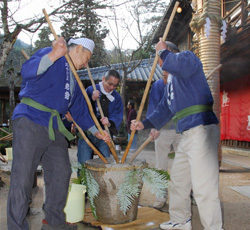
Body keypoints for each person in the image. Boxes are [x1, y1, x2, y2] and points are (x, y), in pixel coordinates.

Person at [7, 37, 110, 230]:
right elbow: (28, 71)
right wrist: (54, 54)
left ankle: (54, 223)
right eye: (87, 58)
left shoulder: (75, 79)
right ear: (78, 48)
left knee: (61, 172)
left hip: (54, 127)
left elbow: (79, 110)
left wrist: (96, 132)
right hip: (30, 120)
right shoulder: (52, 54)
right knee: (23, 176)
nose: (86, 63)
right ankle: (16, 226)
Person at [131, 39, 224, 230]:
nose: (160, 64)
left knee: (203, 186)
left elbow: (175, 63)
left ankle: (214, 227)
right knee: (179, 181)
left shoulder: (187, 58)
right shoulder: (171, 82)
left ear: (170, 53)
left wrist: (162, 52)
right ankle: (181, 220)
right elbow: (164, 109)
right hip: (187, 133)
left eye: (160, 58)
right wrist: (145, 123)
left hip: (201, 128)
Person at [146, 70, 182, 209]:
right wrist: (153, 126)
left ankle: (183, 196)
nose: (165, 78)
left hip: (180, 129)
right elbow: (153, 106)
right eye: (164, 76)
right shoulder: (158, 85)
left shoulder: (181, 83)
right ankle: (161, 197)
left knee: (183, 165)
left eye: (168, 75)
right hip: (163, 130)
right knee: (161, 165)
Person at [77, 69, 123, 164]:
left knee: (107, 164)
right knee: (84, 165)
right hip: (88, 133)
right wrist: (91, 99)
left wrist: (109, 122)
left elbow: (118, 115)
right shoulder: (91, 89)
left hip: (105, 136)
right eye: (109, 84)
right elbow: (80, 109)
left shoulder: (117, 97)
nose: (111, 87)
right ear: (103, 79)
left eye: (115, 85)